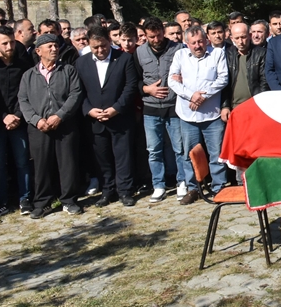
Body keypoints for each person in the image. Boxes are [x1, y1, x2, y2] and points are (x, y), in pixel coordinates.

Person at [18, 34, 84, 218]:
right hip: (39, 127)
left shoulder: (68, 70)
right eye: (49, 46)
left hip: (64, 125)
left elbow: (75, 94)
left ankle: (69, 200)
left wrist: (59, 116)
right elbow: (23, 100)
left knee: (68, 163)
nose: (54, 49)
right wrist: (36, 119)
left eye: (55, 46)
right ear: (38, 51)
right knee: (41, 166)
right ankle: (43, 202)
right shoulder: (29, 75)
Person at [77, 27, 139, 208]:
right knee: (101, 157)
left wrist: (116, 108)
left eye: (103, 46)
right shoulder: (81, 63)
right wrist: (89, 110)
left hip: (120, 118)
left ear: (109, 42)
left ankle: (125, 191)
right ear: (89, 44)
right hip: (95, 120)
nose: (100, 50)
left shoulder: (124, 59)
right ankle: (107, 191)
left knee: (123, 156)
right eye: (95, 47)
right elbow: (78, 91)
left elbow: (130, 87)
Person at [168, 26, 229, 204]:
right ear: (187, 44)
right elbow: (172, 79)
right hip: (187, 114)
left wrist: (202, 96)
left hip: (212, 114)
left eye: (200, 41)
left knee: (216, 153)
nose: (197, 46)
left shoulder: (217, 54)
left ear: (206, 40)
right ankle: (193, 188)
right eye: (193, 43)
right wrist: (190, 95)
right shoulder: (180, 55)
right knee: (189, 154)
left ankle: (219, 188)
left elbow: (223, 79)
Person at [0, 26, 35, 216]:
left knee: (23, 162)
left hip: (19, 122)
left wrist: (17, 115)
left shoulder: (24, 66)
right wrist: (3, 116)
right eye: (4, 43)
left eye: (12, 42)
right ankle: (1, 202)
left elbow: (27, 94)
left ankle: (25, 199)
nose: (9, 46)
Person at [136, 18, 186, 203]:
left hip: (174, 106)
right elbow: (134, 79)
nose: (156, 39)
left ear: (163, 31)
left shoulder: (178, 48)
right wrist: (147, 89)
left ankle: (182, 181)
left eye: (158, 35)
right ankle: (158, 185)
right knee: (154, 149)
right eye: (151, 36)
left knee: (179, 148)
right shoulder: (139, 52)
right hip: (151, 108)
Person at [220, 22, 268, 125]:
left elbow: (264, 82)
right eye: (237, 38)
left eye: (243, 37)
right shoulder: (226, 55)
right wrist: (225, 106)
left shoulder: (261, 53)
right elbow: (223, 83)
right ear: (231, 38)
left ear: (250, 36)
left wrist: (260, 105)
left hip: (254, 107)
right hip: (233, 108)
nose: (240, 42)